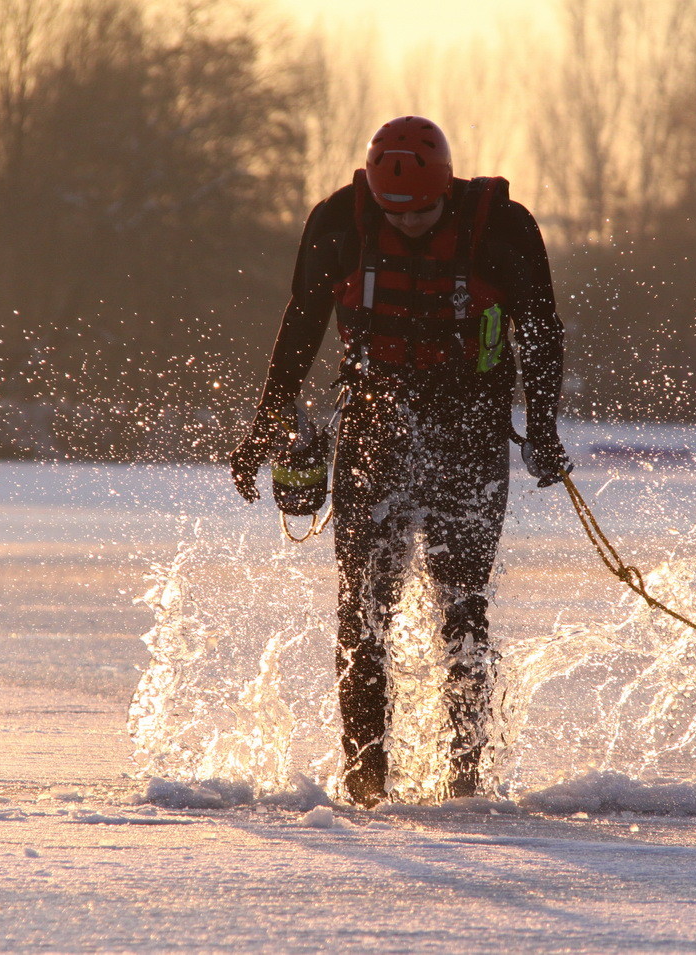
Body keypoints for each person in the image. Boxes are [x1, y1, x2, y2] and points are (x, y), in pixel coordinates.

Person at [229, 115, 569, 806]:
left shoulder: (502, 231)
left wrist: (545, 425)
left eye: (421, 213)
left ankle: (466, 782)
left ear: (445, 190)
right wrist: (267, 421)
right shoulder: (339, 225)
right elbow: (301, 324)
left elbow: (538, 330)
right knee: (362, 611)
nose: (407, 225)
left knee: (463, 609)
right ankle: (365, 784)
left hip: (469, 432)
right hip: (373, 429)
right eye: (394, 214)